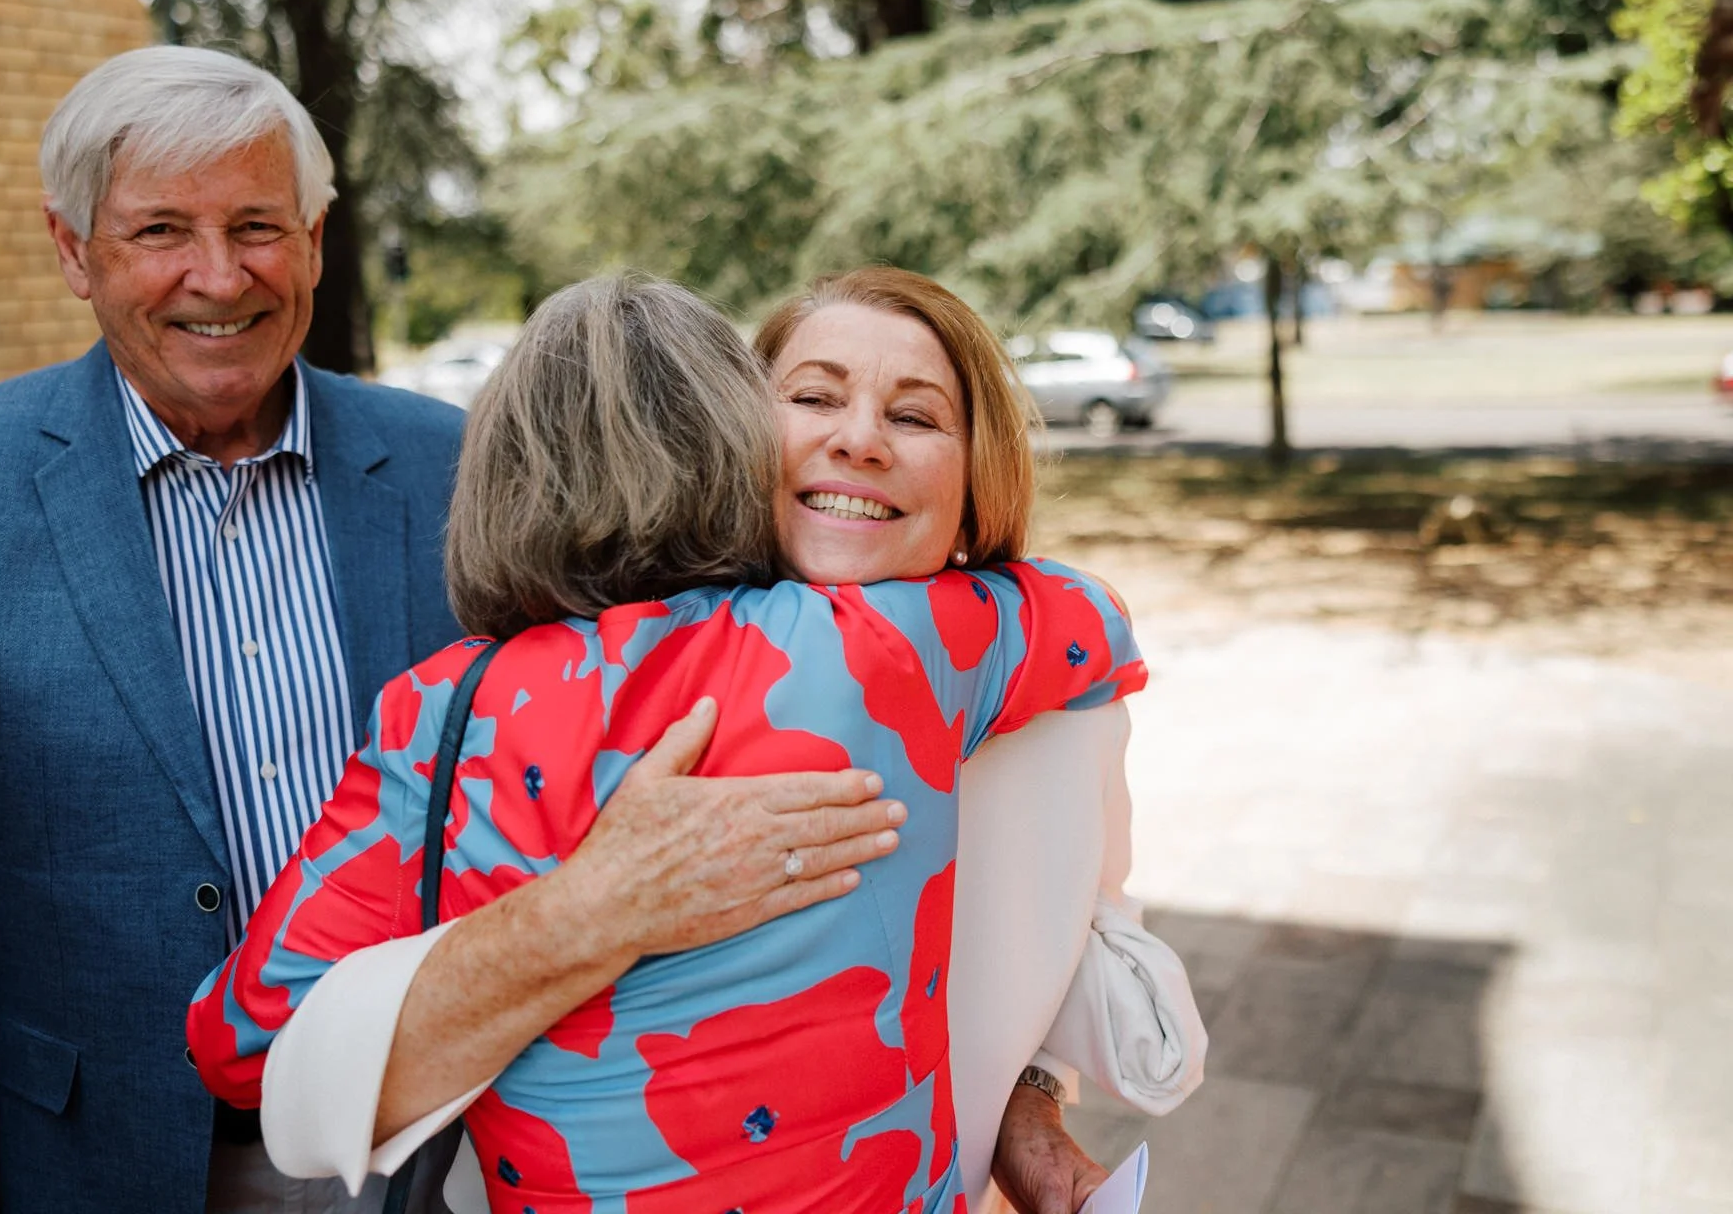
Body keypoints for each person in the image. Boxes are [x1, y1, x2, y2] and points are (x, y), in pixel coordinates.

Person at [0, 48, 894, 1214]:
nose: (216, 274)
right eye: (157, 232)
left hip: (440, 1137)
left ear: (314, 238)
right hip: (108, 1157)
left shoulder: (457, 462)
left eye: (256, 224)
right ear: (70, 248)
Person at [186, 272, 1160, 1212]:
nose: (858, 439)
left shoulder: (435, 715)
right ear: (735, 443)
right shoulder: (888, 646)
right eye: (814, 397)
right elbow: (1093, 618)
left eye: (912, 415)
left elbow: (243, 1039)